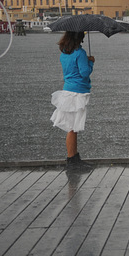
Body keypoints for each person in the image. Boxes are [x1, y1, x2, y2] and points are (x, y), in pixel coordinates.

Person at [50, 31, 95, 170]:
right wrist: (91, 62)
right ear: (79, 38)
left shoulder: (64, 53)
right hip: (77, 93)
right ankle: (72, 159)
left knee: (73, 127)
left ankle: (74, 157)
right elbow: (84, 73)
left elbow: (73, 70)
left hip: (68, 90)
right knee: (72, 128)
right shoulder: (79, 53)